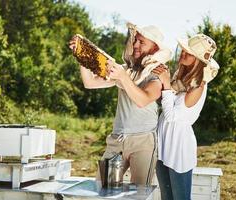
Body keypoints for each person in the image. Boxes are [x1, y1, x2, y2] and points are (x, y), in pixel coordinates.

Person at [69, 22, 172, 185]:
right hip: (117, 140)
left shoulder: (158, 74)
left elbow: (142, 100)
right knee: (103, 188)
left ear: (154, 49)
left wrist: (123, 77)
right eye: (135, 40)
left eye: (142, 42)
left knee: (139, 193)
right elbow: (90, 83)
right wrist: (82, 56)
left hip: (143, 142)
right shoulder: (126, 70)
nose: (136, 45)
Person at [152, 34, 220, 199]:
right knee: (166, 197)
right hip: (164, 141)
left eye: (189, 53)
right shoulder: (180, 76)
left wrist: (166, 84)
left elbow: (171, 116)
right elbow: (164, 101)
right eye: (183, 50)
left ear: (198, 60)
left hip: (179, 146)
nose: (183, 54)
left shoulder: (199, 86)